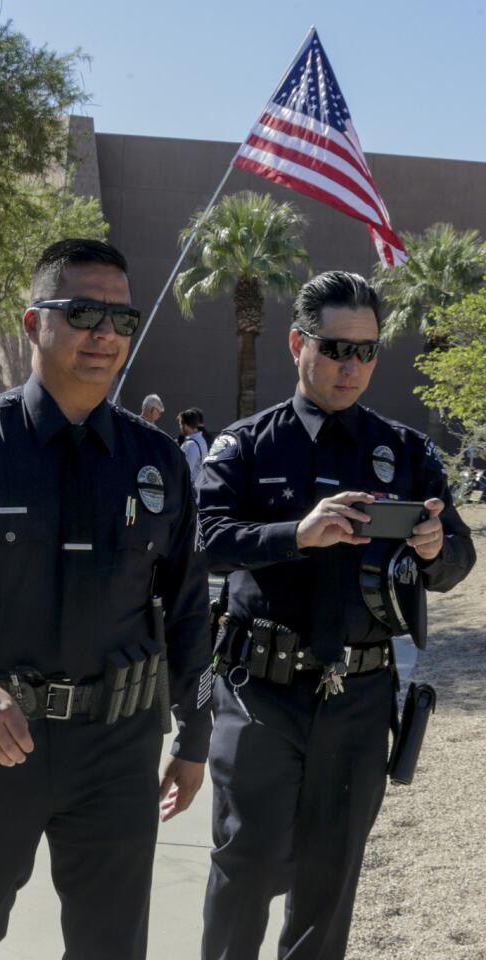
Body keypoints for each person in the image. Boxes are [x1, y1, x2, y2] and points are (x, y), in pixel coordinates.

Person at [0, 238, 212, 960]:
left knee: (110, 947)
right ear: (35, 322)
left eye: (120, 318)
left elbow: (188, 605)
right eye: (83, 312)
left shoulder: (156, 460)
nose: (105, 334)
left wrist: (194, 737)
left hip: (117, 747)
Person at [196, 271, 476, 960]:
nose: (352, 366)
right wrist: (294, 532)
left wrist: (437, 547)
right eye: (335, 348)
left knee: (331, 880)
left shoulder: (405, 453)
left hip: (361, 694)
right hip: (261, 690)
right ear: (297, 343)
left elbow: (459, 557)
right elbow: (203, 542)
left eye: (367, 351)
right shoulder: (246, 445)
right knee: (249, 863)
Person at [177, 407, 207, 485]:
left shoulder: (191, 445)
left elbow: (185, 472)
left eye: (180, 424)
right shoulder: (201, 439)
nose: (180, 427)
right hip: (197, 487)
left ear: (185, 425)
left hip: (190, 490)